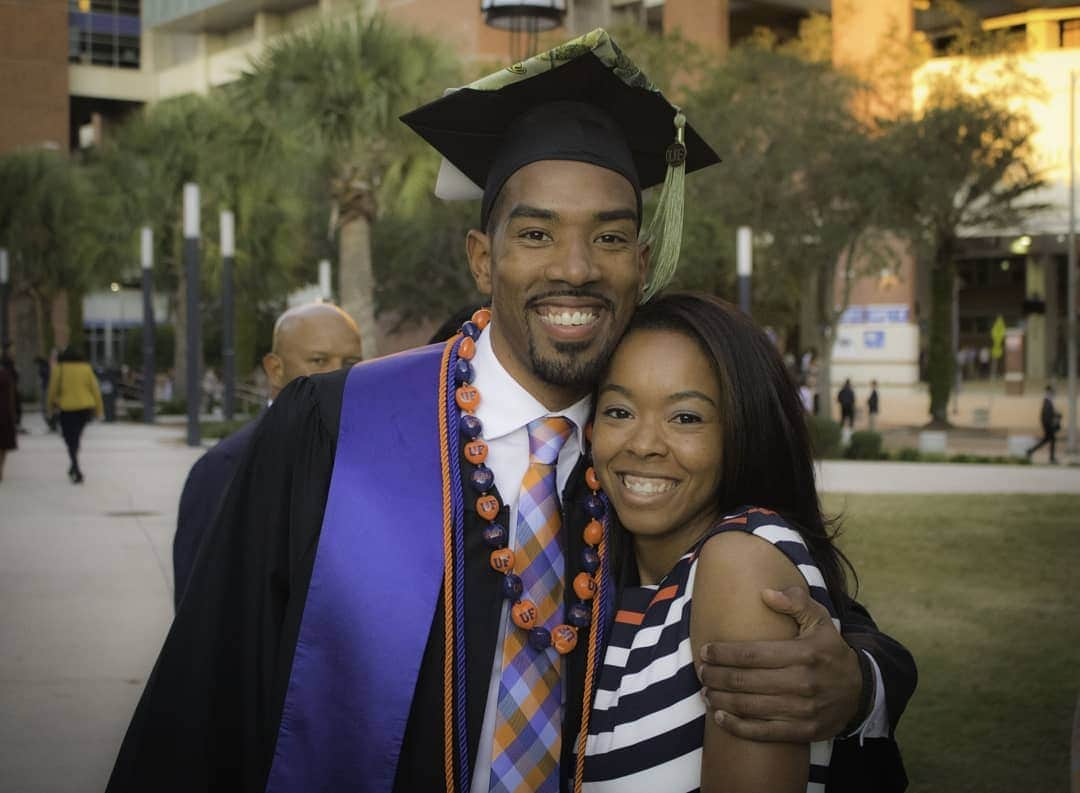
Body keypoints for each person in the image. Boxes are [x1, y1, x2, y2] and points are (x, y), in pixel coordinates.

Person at [106, 30, 912, 793]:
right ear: (483, 256)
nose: (574, 268)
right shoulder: (339, 428)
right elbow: (208, 688)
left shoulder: (653, 458)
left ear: (640, 262)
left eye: (608, 237)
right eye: (535, 233)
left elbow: (819, 612)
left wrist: (862, 680)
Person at [585, 293, 910, 792]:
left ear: (742, 429)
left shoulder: (740, 566)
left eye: (686, 417)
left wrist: (864, 683)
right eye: (619, 411)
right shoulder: (597, 557)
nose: (644, 443)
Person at [173, 302, 363, 608]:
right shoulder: (222, 469)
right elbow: (197, 610)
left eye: (351, 361)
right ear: (275, 369)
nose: (338, 374)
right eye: (319, 360)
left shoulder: (372, 461)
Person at [46, 346, 103, 484]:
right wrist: (99, 410)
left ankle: (76, 469)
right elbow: (95, 389)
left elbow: (52, 390)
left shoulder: (59, 369)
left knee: (70, 438)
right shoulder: (86, 368)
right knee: (75, 437)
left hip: (67, 408)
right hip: (85, 408)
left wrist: (49, 408)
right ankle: (74, 466)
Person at [1026, 385, 1061, 464]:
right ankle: (1051, 458)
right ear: (1049, 391)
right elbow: (1046, 415)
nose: (1053, 393)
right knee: (1051, 439)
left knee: (1047, 440)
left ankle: (1030, 451)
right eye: (1051, 391)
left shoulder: (1048, 401)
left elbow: (1049, 413)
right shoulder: (1047, 401)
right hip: (1048, 425)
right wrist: (1052, 421)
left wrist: (1056, 415)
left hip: (1047, 424)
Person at [0, 362, 16, 481]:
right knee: (3, 444)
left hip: (4, 413)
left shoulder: (5, 374)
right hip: (4, 413)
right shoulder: (5, 374)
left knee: (3, 444)